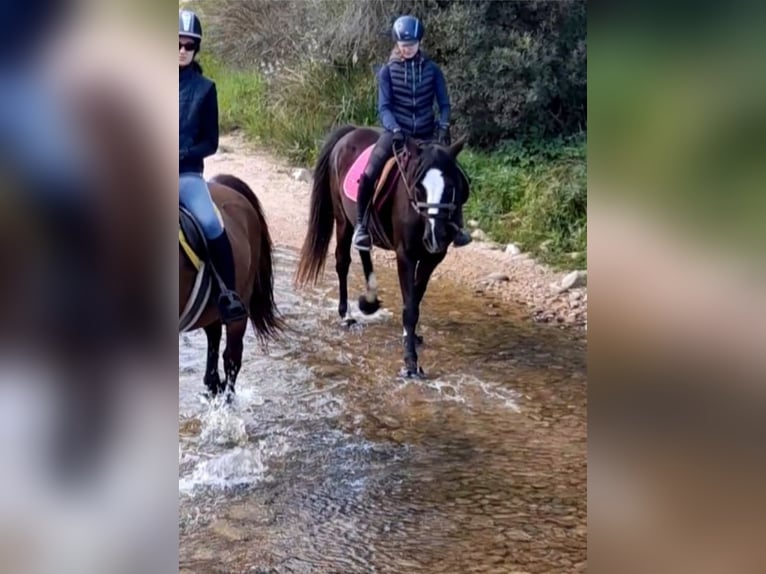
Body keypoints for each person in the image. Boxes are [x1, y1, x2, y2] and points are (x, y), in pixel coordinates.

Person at [352, 14, 472, 251]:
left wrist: (444, 125)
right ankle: (362, 227)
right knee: (369, 174)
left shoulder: (433, 70)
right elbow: (384, 107)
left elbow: (444, 104)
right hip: (397, 133)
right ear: (397, 44)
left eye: (412, 45)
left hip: (427, 134)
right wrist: (395, 128)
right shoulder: (387, 72)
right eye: (404, 46)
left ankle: (457, 227)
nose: (408, 49)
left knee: (457, 175)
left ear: (420, 43)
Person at [179, 9, 246, 323]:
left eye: (188, 45)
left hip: (186, 175)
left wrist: (183, 153)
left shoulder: (205, 89)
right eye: (177, 44)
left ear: (196, 49)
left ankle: (229, 294)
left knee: (211, 223)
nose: (182, 50)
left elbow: (211, 142)